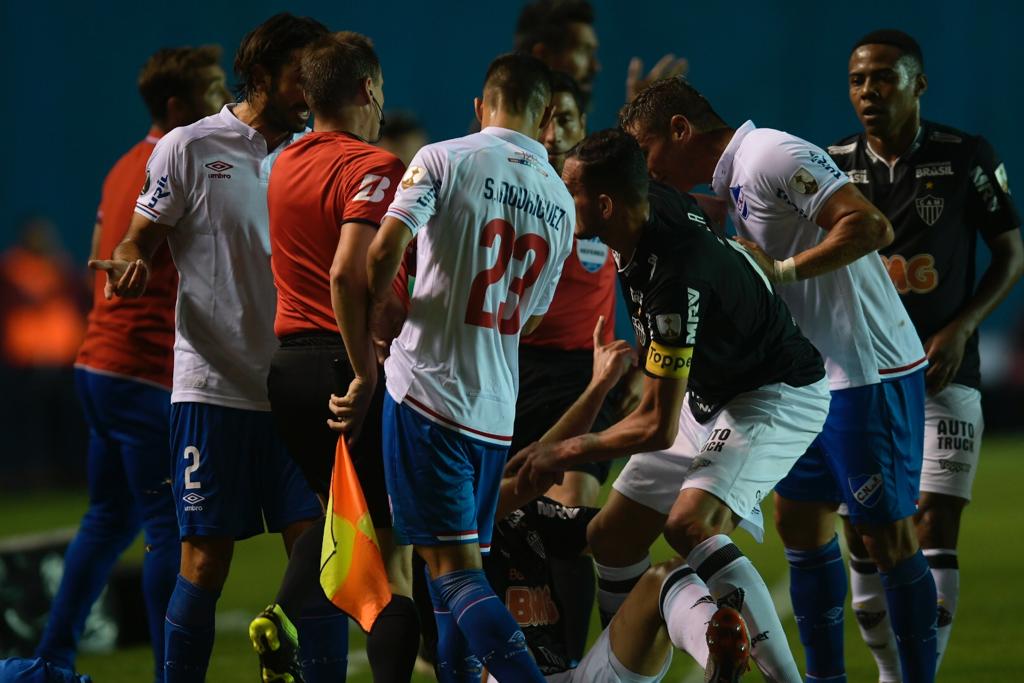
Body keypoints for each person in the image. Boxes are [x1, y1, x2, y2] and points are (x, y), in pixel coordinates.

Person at [619, 76, 936, 682]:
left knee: (885, 539)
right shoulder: (731, 183)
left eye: (646, 150)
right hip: (805, 376)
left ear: (681, 130)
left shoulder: (770, 152)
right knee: (801, 530)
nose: (645, 171)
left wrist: (783, 270)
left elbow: (870, 226)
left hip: (868, 369)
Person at [508, 129, 830, 682]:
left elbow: (656, 425)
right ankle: (635, 667)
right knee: (612, 535)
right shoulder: (644, 205)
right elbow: (699, 205)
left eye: (570, 188)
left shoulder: (672, 284)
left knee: (689, 524)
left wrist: (560, 451)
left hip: (772, 394)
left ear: (604, 206)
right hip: (707, 394)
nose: (562, 197)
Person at [89, 13, 327, 681]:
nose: (311, 86)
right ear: (260, 76)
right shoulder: (190, 147)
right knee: (203, 561)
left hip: (294, 389)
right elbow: (138, 238)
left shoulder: (314, 152)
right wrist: (131, 261)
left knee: (322, 555)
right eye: (298, 72)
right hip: (212, 389)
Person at [361, 52, 574, 683]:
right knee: (454, 569)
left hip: (428, 393)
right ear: (549, 117)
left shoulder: (442, 159)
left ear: (481, 107)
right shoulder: (560, 200)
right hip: (494, 409)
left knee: (451, 575)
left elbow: (383, 250)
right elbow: (530, 320)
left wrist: (380, 317)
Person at [829, 29, 1023, 680]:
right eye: (858, 79)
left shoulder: (965, 157)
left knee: (934, 521)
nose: (868, 91)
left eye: (883, 77)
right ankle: (891, 668)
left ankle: (916, 676)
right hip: (862, 383)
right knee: (864, 535)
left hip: (945, 376)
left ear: (919, 84)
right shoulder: (828, 169)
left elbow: (1011, 252)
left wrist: (965, 325)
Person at [33, 46, 229, 683]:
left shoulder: (123, 165)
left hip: (97, 366)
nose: (225, 96)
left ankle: (53, 657)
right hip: (143, 371)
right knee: (169, 525)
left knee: (109, 517)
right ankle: (169, 675)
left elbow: (100, 252)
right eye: (212, 86)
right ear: (177, 106)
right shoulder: (186, 160)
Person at [255, 30, 419, 682]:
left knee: (341, 520)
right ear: (365, 90)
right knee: (392, 547)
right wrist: (365, 366)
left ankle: (286, 614)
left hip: (288, 369)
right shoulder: (370, 166)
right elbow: (350, 274)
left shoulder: (284, 163)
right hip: (340, 367)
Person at [512, 70, 628, 663]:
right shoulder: (511, 189)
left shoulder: (607, 201)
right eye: (546, 119)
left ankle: (577, 666)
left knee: (568, 518)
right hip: (512, 372)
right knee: (510, 522)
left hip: (584, 378)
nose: (555, 132)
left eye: (569, 121)